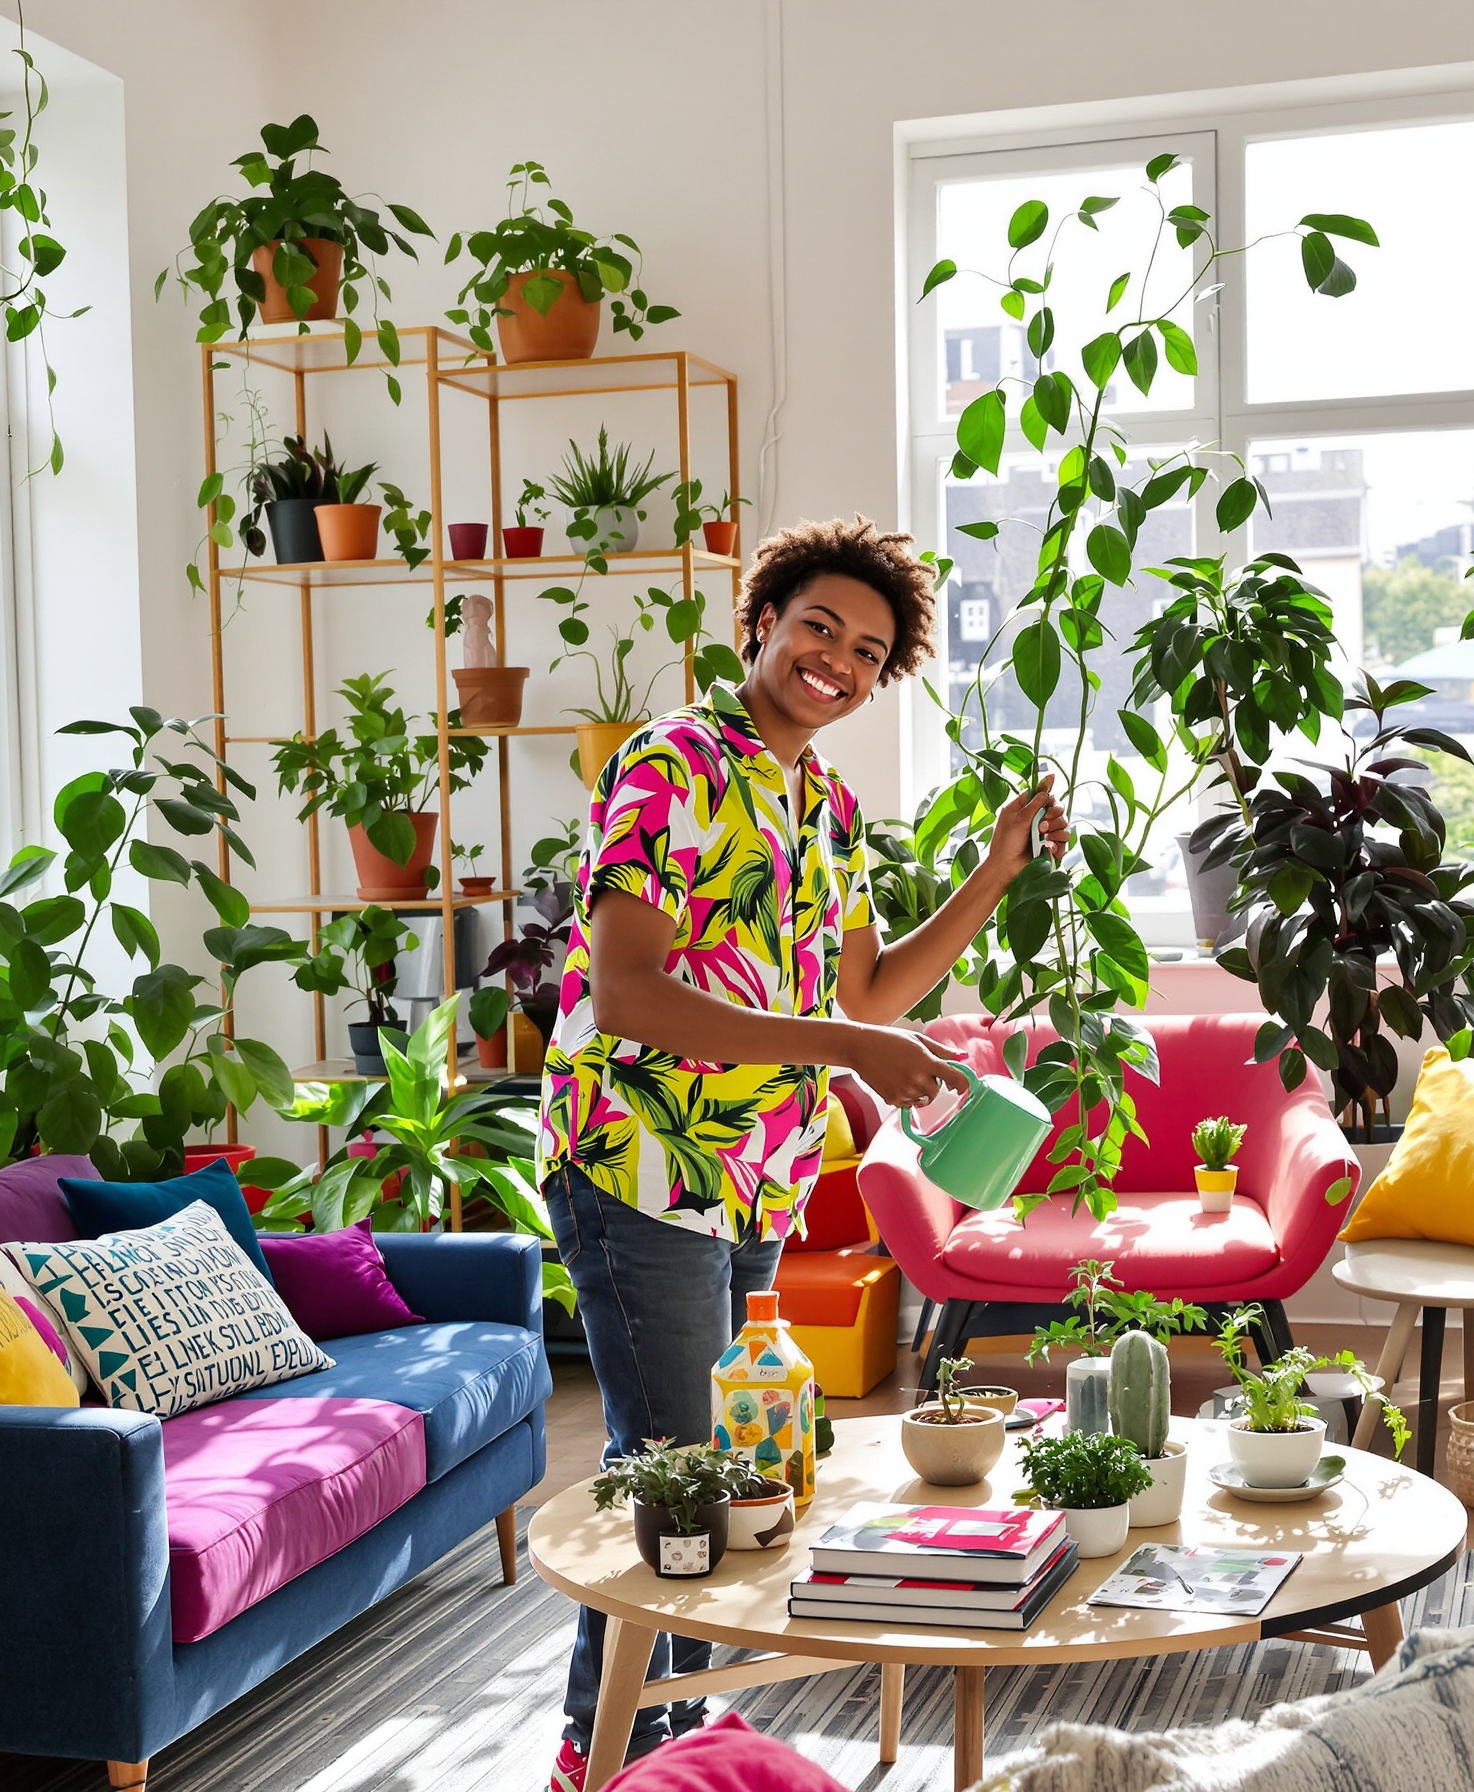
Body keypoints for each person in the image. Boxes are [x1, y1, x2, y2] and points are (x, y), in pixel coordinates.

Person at [540, 516, 1071, 1788]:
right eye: (818, 625)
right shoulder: (673, 761)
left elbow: (870, 992)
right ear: (763, 620)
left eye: (867, 650)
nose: (834, 658)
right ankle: (602, 1751)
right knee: (668, 1468)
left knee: (723, 1469)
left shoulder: (825, 806)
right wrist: (839, 1043)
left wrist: (995, 870)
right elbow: (627, 995)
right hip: (640, 1158)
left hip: (752, 1177)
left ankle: (674, 1738)